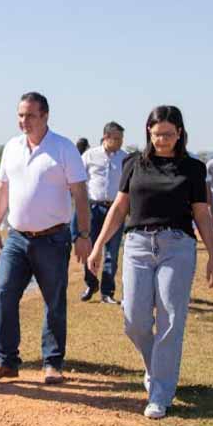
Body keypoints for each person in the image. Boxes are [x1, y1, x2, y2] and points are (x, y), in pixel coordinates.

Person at [88, 106, 213, 420]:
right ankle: (158, 368)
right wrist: (98, 246)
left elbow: (201, 213)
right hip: (137, 245)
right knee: (134, 320)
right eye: (157, 133)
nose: (163, 140)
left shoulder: (192, 167)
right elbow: (120, 208)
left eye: (169, 134)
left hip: (177, 245)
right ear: (148, 130)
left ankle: (159, 393)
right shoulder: (133, 163)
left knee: (171, 320)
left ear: (180, 134)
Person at [0, 92, 91, 385]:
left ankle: (52, 364)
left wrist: (83, 233)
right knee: (5, 294)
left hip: (53, 239)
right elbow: (2, 190)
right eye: (20, 115)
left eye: (29, 115)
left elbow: (80, 194)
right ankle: (6, 361)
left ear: (45, 116)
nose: (23, 121)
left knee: (53, 301)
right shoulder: (11, 147)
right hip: (16, 238)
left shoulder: (64, 148)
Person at [75, 121, 126, 305]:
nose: (120, 142)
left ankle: (107, 291)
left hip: (115, 209)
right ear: (106, 137)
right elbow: (79, 181)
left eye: (121, 139)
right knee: (90, 248)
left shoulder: (125, 158)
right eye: (117, 139)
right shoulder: (89, 156)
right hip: (93, 209)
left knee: (112, 251)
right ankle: (91, 284)